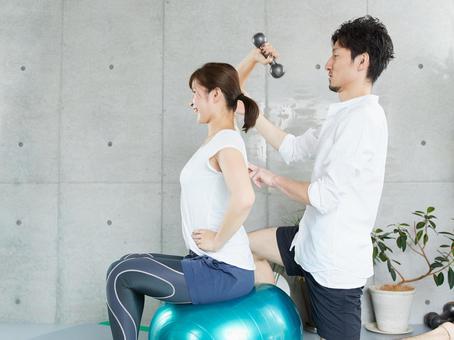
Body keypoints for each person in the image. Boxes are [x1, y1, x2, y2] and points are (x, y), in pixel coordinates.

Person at [237, 16, 394, 340]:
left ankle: (442, 334)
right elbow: (292, 148)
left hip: (335, 263)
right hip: (309, 241)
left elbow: (325, 195)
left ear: (361, 61)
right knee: (240, 247)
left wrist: (273, 179)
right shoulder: (344, 116)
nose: (327, 63)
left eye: (336, 55)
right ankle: (274, 321)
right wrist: (250, 106)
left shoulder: (364, 120)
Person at [105, 62, 260, 340]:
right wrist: (252, 58)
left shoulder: (226, 142)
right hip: (207, 263)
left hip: (224, 270)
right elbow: (232, 86)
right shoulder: (221, 135)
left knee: (121, 274)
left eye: (195, 94)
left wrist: (216, 240)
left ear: (215, 96)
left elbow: (245, 197)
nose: (191, 103)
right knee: (127, 262)